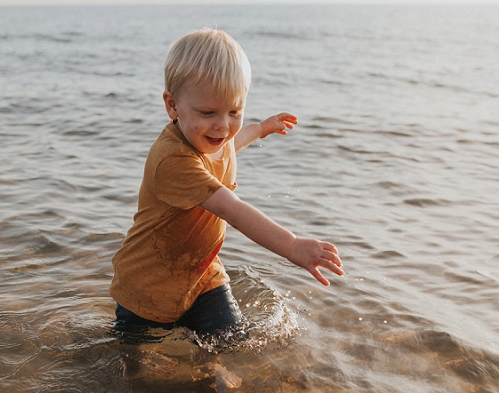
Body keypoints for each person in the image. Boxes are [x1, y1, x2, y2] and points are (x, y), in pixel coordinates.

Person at [110, 28, 344, 337]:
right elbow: (230, 208)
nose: (222, 126)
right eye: (208, 112)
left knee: (233, 341)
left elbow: (230, 145)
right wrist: (292, 245)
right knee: (148, 368)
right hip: (149, 286)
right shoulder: (174, 160)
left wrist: (259, 128)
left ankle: (216, 367)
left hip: (202, 274)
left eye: (234, 111)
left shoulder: (210, 138)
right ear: (172, 105)